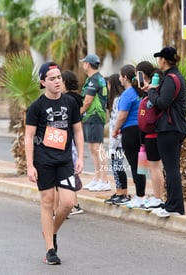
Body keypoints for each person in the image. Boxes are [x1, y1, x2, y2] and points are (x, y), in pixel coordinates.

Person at [25, 62, 84, 265]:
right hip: (44, 161)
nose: (57, 81)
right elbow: (29, 136)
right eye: (52, 78)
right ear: (43, 82)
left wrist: (81, 158)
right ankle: (50, 249)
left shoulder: (70, 103)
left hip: (65, 161)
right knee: (48, 202)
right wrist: (30, 165)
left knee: (67, 203)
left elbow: (77, 130)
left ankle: (51, 232)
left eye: (59, 77)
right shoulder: (36, 107)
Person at [147, 47, 186, 217]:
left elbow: (163, 103)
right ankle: (172, 204)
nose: (158, 61)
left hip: (169, 129)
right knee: (172, 168)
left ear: (164, 60)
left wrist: (151, 92)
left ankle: (175, 207)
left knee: (170, 168)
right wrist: (155, 91)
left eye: (159, 58)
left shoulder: (171, 78)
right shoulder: (176, 77)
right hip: (175, 128)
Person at [112, 64, 147, 208]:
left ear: (125, 77)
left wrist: (115, 130)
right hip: (142, 130)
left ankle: (139, 197)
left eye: (120, 76)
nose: (119, 78)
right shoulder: (140, 92)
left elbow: (122, 116)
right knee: (142, 166)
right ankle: (142, 194)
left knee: (134, 165)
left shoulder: (128, 93)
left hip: (130, 132)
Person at [135, 61, 165, 210]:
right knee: (155, 167)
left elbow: (155, 104)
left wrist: (150, 89)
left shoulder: (156, 82)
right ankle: (157, 196)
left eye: (137, 74)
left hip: (153, 133)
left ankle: (158, 198)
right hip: (150, 133)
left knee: (155, 167)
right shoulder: (153, 88)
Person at [79, 54, 110, 192]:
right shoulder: (95, 79)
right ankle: (97, 178)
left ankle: (104, 180)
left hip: (94, 117)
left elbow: (87, 101)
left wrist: (77, 113)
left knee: (98, 148)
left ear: (88, 64)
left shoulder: (95, 80)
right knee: (93, 148)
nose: (82, 65)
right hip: (91, 118)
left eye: (84, 62)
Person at [104, 74, 130, 205]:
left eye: (108, 84)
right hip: (117, 139)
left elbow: (116, 121)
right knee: (116, 166)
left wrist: (113, 140)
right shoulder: (117, 99)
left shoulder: (117, 100)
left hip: (117, 139)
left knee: (117, 165)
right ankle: (119, 191)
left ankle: (123, 193)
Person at [62, 70, 84, 215]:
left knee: (68, 171)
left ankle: (72, 204)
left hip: (67, 138)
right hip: (71, 138)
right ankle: (73, 204)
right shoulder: (78, 97)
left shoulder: (67, 100)